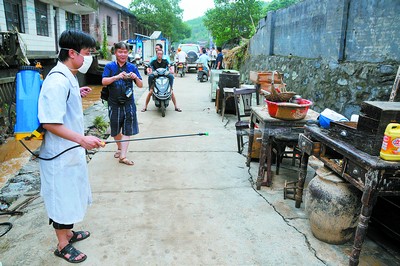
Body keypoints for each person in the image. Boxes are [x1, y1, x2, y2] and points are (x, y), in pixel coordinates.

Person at [37, 30, 104, 263]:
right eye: (87, 53)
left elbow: (62, 104)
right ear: (73, 53)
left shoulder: (68, 77)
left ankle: (68, 233)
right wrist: (82, 139)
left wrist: (76, 92)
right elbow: (49, 122)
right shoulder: (57, 81)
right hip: (59, 153)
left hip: (69, 149)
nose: (89, 58)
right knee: (61, 197)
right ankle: (62, 244)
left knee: (72, 193)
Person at [102, 42, 143, 165]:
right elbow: (104, 81)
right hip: (113, 103)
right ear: (115, 53)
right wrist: (117, 77)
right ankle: (119, 148)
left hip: (129, 103)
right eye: (120, 52)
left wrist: (135, 77)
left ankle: (123, 156)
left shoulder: (132, 67)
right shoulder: (109, 66)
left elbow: (140, 85)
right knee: (115, 130)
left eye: (125, 52)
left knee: (127, 129)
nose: (123, 54)